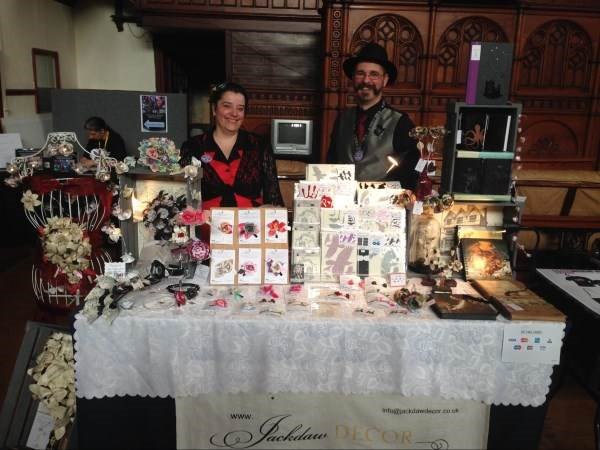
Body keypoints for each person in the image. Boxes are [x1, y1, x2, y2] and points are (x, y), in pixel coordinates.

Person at [326, 43, 420, 190]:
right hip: (342, 204)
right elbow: (331, 163)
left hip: (383, 207)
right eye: (360, 73)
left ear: (385, 80)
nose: (366, 80)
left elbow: (410, 174)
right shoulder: (342, 119)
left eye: (374, 74)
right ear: (353, 78)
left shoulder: (401, 122)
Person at [179, 82, 283, 208]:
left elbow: (273, 197)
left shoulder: (259, 145)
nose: (234, 113)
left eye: (240, 108)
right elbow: (186, 196)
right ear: (214, 109)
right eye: (227, 106)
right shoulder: (193, 146)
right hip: (207, 225)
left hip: (251, 224)